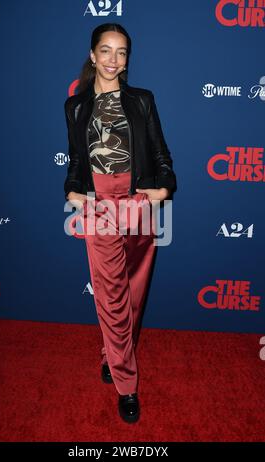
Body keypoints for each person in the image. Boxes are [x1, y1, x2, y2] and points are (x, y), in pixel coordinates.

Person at [64, 23, 177, 424]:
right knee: (111, 296)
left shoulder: (142, 100)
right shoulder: (76, 105)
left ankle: (110, 353)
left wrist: (164, 188)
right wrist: (72, 187)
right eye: (106, 51)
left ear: (128, 59)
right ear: (92, 56)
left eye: (122, 52)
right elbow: (77, 159)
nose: (114, 60)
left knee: (132, 293)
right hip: (98, 207)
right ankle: (126, 383)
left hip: (137, 204)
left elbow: (160, 152)